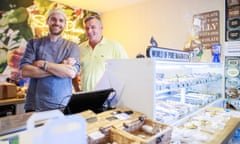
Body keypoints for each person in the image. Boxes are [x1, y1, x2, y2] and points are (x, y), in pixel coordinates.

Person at [20, 8, 80, 112]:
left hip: (62, 105)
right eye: (53, 19)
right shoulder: (34, 43)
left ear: (65, 24)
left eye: (61, 20)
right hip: (35, 105)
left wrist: (43, 63)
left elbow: (70, 73)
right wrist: (61, 66)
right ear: (47, 21)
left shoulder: (72, 46)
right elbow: (25, 71)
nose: (57, 23)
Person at [76, 15, 128, 92]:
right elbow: (73, 73)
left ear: (101, 28)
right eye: (87, 28)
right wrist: (77, 90)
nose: (89, 31)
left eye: (93, 27)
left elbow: (126, 70)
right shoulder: (80, 48)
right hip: (85, 96)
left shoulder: (115, 46)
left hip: (107, 97)